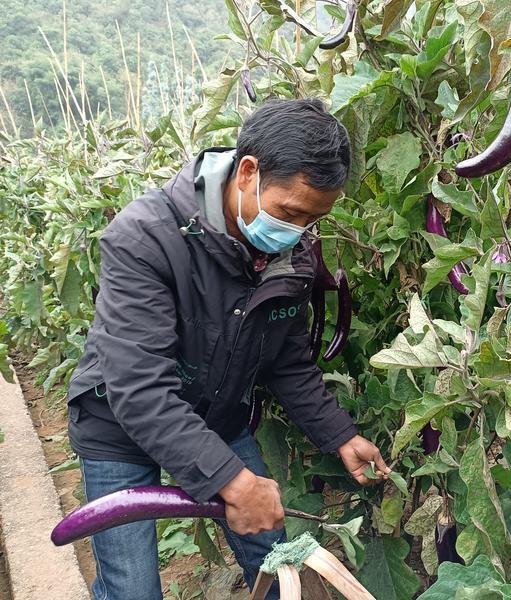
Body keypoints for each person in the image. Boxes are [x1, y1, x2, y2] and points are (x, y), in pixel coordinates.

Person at [66, 98, 391, 600]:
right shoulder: (145, 237)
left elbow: (288, 362)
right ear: (247, 171)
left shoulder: (291, 256)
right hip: (118, 426)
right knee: (133, 588)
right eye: (290, 213)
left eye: (313, 220)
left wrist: (340, 436)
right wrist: (234, 482)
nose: (299, 232)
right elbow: (138, 389)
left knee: (277, 563)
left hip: (217, 417)